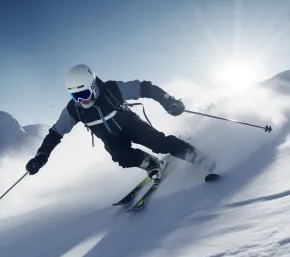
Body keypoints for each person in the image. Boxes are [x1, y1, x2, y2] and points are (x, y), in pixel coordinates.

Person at [26, 64, 218, 181]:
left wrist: (169, 101)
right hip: (111, 138)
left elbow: (146, 88)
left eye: (84, 94)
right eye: (75, 96)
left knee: (159, 143)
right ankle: (150, 163)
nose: (81, 100)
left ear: (93, 86)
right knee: (121, 158)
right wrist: (41, 156)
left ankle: (198, 157)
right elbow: (55, 133)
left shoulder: (112, 89)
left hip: (130, 124)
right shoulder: (74, 109)